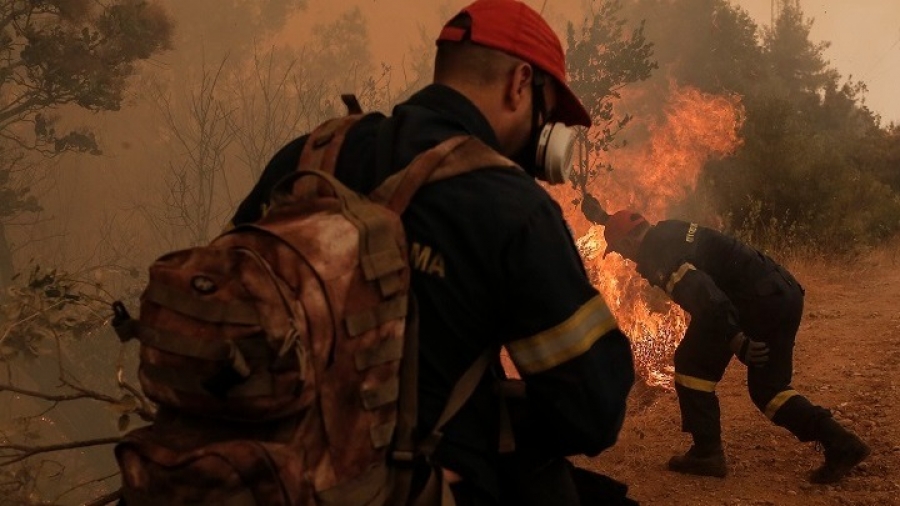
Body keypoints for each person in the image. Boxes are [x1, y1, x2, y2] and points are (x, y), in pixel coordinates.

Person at [229, 1, 636, 504]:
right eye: (548, 111)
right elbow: (592, 414)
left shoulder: (310, 154)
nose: (545, 129)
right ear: (519, 83)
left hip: (261, 472)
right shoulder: (512, 206)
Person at [602, 210, 870, 484]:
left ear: (627, 244)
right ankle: (841, 443)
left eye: (620, 251)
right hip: (783, 293)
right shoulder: (666, 230)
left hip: (752, 304)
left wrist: (736, 338)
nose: (624, 258)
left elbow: (705, 294)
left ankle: (707, 454)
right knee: (770, 391)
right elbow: (630, 230)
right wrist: (605, 218)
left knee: (692, 363)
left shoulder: (658, 254)